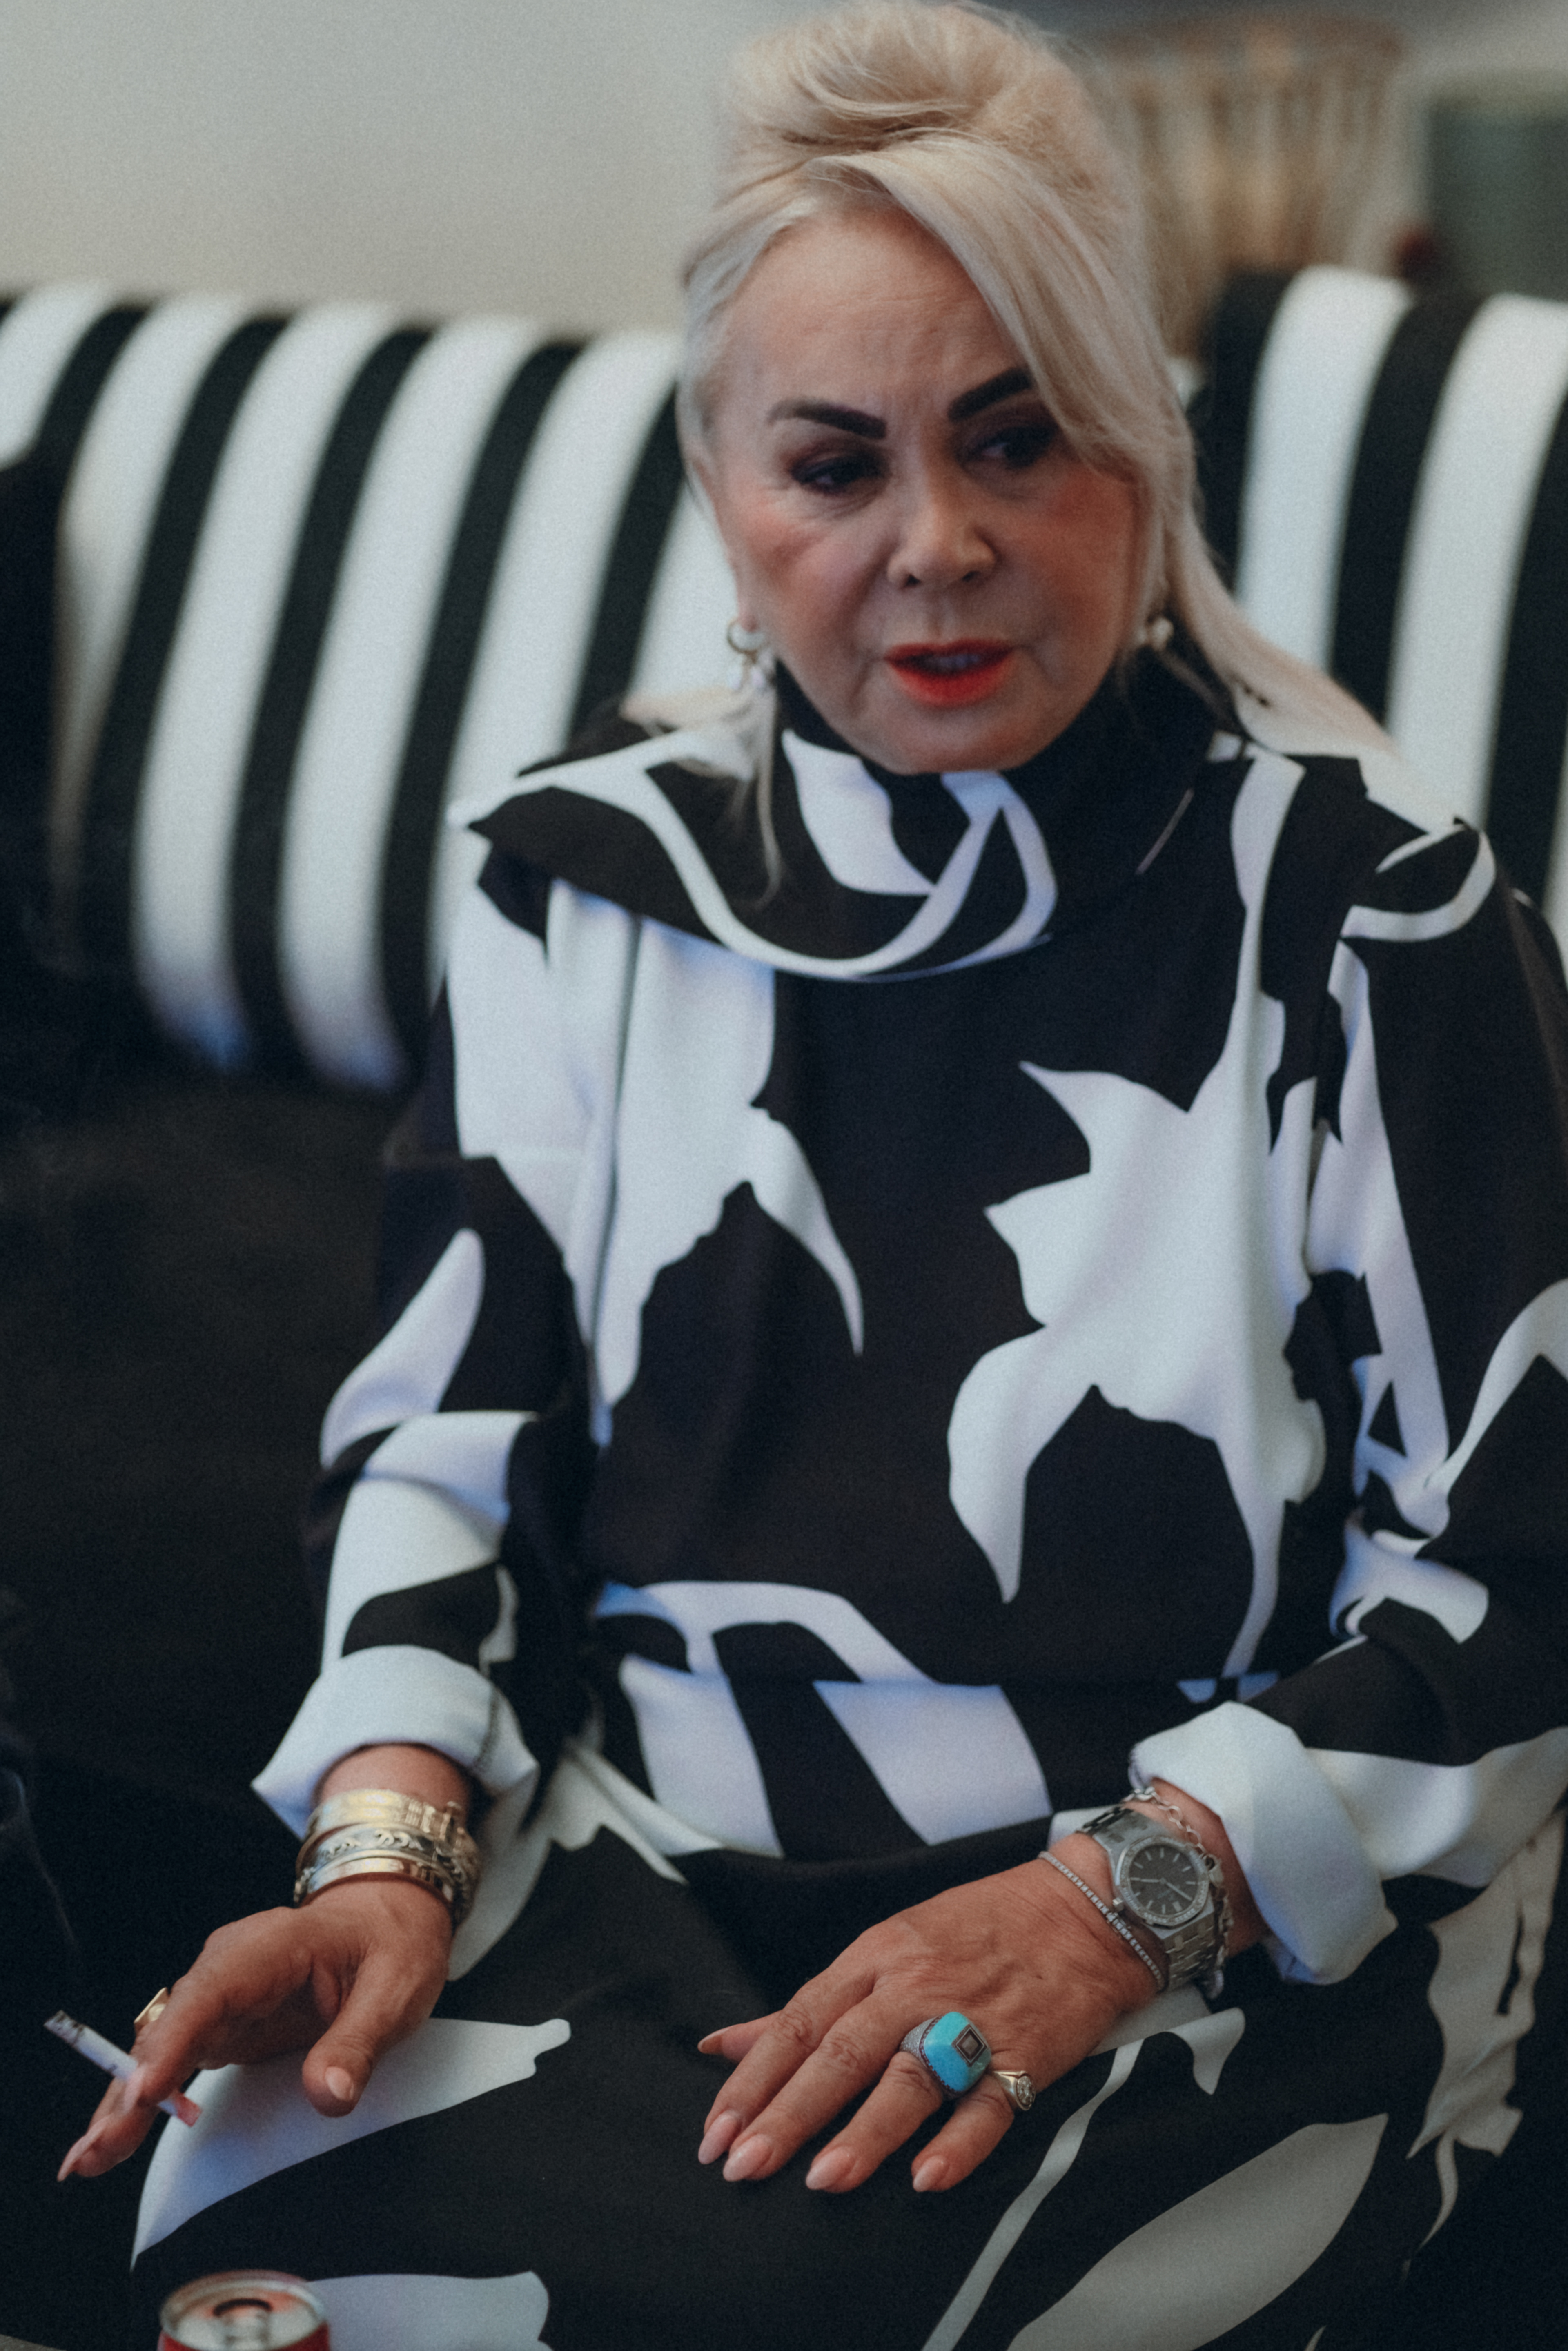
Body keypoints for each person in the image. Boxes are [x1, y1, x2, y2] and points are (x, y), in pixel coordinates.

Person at [64, 7, 1568, 2347]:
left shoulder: (1375, 919)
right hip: (643, 1863)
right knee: (239, 2219)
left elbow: (1516, 1572)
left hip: (1211, 1927)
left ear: (1143, 450)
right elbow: (447, 1455)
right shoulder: (586, 884)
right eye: (835, 462)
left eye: (1016, 439)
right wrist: (383, 1852)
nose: (935, 545)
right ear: (719, 484)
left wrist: (1114, 1905)